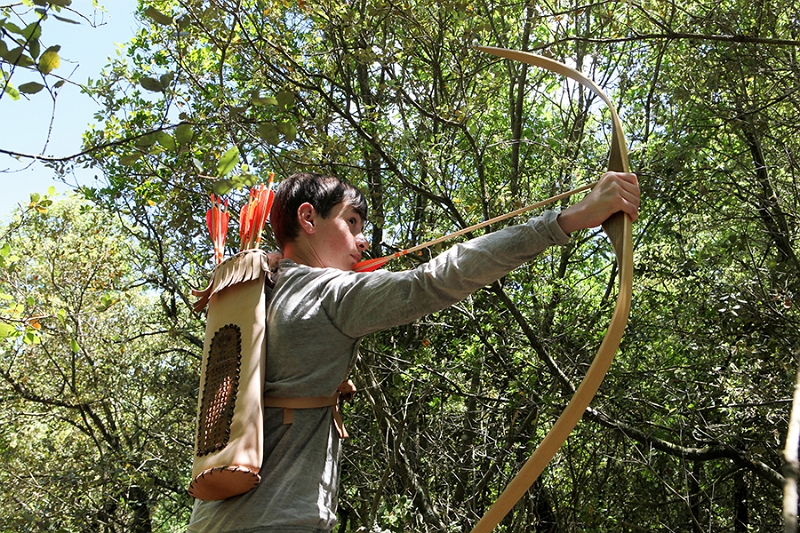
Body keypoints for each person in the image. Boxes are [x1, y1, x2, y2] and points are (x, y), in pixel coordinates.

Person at [187, 170, 640, 533]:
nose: (363, 240)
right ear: (308, 218)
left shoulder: (253, 287)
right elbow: (435, 280)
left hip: (209, 520)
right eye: (351, 222)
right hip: (279, 521)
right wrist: (570, 218)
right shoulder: (326, 293)